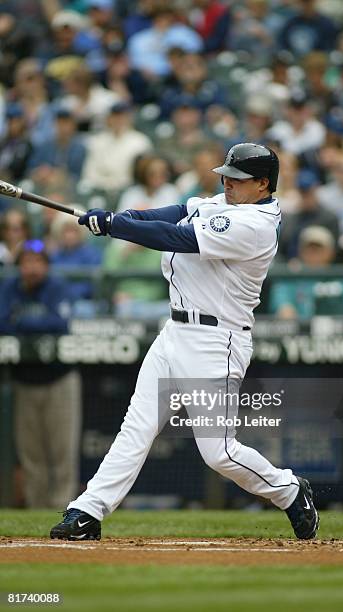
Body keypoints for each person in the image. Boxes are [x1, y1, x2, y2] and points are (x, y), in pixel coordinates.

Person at [50, 142, 319, 541]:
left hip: (216, 341)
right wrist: (120, 218)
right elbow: (176, 212)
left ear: (263, 184)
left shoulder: (255, 225)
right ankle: (87, 511)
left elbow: (175, 237)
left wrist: (114, 225)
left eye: (239, 178)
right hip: (174, 331)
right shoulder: (225, 204)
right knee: (136, 427)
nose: (228, 182)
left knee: (220, 453)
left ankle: (288, 489)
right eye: (226, 175)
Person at [0, 240, 81, 508]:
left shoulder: (57, 287)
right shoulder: (10, 288)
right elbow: (2, 322)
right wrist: (30, 323)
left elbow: (59, 323)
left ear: (46, 265)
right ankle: (37, 508)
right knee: (31, 453)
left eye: (38, 262)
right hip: (24, 381)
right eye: (26, 262)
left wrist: (20, 321)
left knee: (62, 452)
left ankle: (63, 508)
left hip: (60, 379)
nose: (32, 268)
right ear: (19, 265)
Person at [270, 225, 343, 319]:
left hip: (338, 332)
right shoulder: (290, 279)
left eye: (319, 249)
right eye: (309, 248)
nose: (313, 253)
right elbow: (283, 309)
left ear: (331, 252)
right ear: (301, 251)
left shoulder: (341, 280)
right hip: (301, 332)